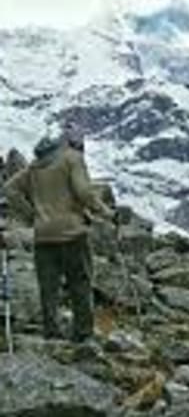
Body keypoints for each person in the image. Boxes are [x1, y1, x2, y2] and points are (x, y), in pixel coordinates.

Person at [4, 135, 115, 342]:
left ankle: (52, 332)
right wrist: (105, 212)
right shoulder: (72, 159)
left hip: (43, 236)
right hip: (73, 232)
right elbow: (84, 191)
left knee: (48, 287)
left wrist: (31, 215)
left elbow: (9, 189)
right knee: (79, 283)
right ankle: (82, 334)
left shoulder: (33, 168)